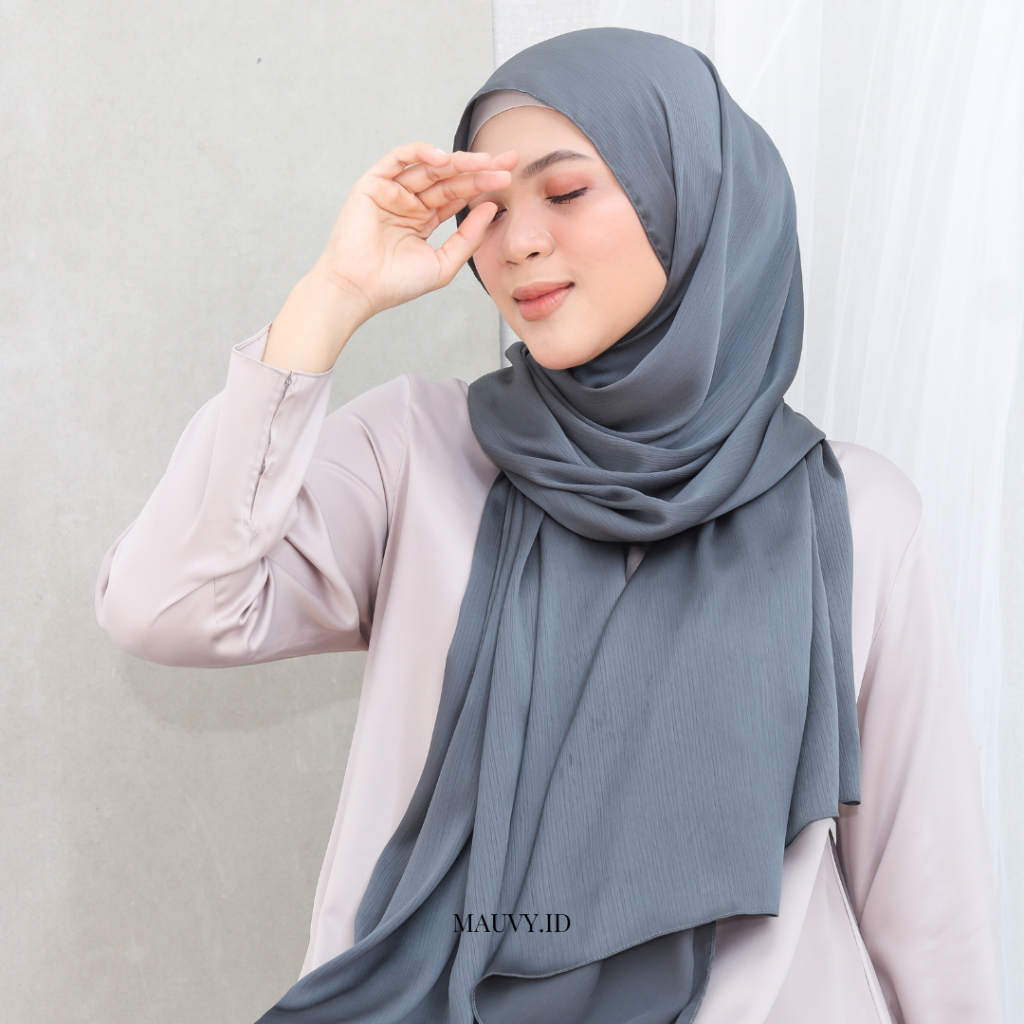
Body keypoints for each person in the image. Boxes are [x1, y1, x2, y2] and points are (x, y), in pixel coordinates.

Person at [95, 27, 1002, 1024]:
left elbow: (925, 900)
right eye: (487, 211)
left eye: (566, 192)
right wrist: (331, 298)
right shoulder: (418, 453)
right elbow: (165, 605)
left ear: (689, 197)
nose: (517, 242)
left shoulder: (858, 511)